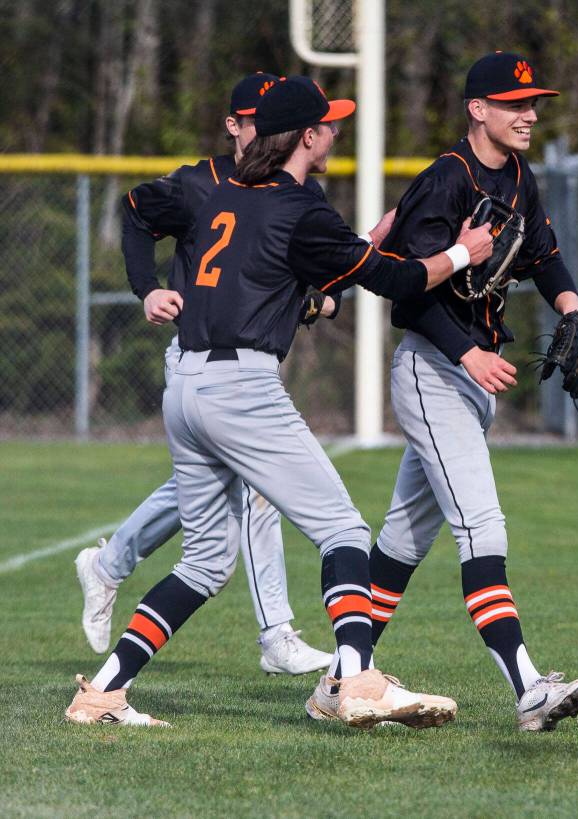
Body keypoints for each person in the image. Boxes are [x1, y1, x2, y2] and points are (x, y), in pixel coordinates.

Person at [65, 75, 494, 729]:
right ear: (308, 136)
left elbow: (296, 266)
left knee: (206, 561)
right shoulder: (299, 207)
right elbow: (398, 279)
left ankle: (103, 690)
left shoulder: (227, 192)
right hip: (241, 386)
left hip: (185, 384)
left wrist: (363, 243)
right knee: (344, 532)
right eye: (329, 124)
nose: (336, 132)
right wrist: (465, 252)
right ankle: (358, 679)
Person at [73, 72, 356, 676]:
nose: (270, 131)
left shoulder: (292, 191)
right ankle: (276, 635)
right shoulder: (202, 182)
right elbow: (134, 213)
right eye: (259, 119)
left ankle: (108, 568)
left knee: (210, 503)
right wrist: (147, 288)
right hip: (205, 361)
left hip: (236, 368)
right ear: (235, 125)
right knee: (256, 496)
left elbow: (297, 281)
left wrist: (317, 301)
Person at [367, 52, 578, 732]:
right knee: (481, 527)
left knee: (404, 540)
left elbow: (544, 257)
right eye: (514, 101)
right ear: (478, 109)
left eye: (533, 102)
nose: (529, 112)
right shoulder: (445, 181)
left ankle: (343, 674)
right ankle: (529, 690)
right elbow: (407, 294)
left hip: (469, 380)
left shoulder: (523, 179)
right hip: (434, 371)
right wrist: (467, 353)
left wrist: (574, 309)